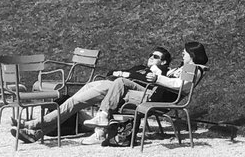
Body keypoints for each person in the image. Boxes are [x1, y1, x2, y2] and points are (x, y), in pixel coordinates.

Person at [13, 45, 172, 143]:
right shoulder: (139, 67)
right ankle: (38, 132)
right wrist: (127, 74)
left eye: (156, 57)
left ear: (164, 62)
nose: (151, 57)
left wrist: (126, 75)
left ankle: (34, 124)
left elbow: (131, 79)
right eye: (151, 55)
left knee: (74, 103)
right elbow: (112, 73)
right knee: (78, 99)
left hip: (127, 91)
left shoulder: (161, 73)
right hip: (113, 87)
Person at [82, 40, 209, 146]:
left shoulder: (195, 69)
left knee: (115, 94)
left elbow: (181, 85)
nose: (182, 54)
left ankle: (101, 131)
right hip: (155, 91)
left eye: (185, 53)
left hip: (162, 98)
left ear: (192, 54)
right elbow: (173, 79)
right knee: (120, 83)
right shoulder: (185, 67)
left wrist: (157, 78)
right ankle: (103, 118)